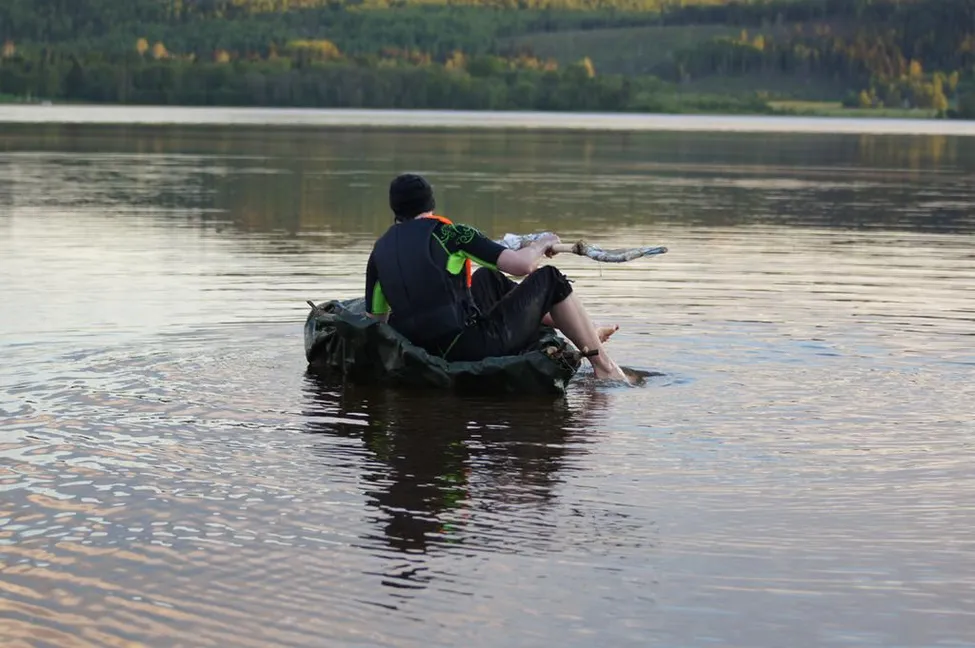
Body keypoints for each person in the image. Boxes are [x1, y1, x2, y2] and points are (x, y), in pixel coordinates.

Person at [364, 173, 630, 383]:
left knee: (487, 277)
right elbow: (522, 266)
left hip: (423, 351)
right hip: (469, 347)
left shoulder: (379, 252)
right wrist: (542, 243)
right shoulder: (453, 234)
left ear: (395, 210)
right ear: (431, 205)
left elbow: (377, 322)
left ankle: (587, 333)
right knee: (551, 279)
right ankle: (604, 367)